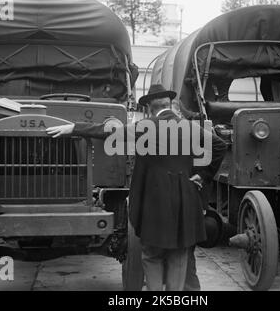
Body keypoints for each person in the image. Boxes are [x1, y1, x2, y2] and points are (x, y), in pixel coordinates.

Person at [46, 84, 227, 291]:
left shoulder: (144, 128)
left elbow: (109, 131)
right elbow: (219, 145)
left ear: (149, 107)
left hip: (154, 203)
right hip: (185, 201)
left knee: (151, 256)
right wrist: (203, 176)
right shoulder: (188, 127)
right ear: (170, 105)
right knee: (178, 256)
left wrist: (74, 128)